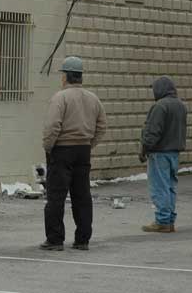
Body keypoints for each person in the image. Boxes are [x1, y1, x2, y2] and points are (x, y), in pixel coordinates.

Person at [40, 56, 107, 251]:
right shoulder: (93, 98)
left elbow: (52, 126)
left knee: (56, 196)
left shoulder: (60, 97)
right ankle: (82, 239)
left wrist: (48, 147)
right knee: (82, 196)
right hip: (83, 151)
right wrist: (89, 143)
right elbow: (102, 125)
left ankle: (55, 239)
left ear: (65, 76)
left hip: (62, 150)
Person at [140, 76, 187, 233]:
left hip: (159, 153)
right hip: (174, 153)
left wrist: (144, 149)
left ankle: (162, 221)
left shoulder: (160, 106)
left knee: (159, 188)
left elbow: (153, 132)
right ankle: (169, 220)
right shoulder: (180, 105)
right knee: (170, 187)